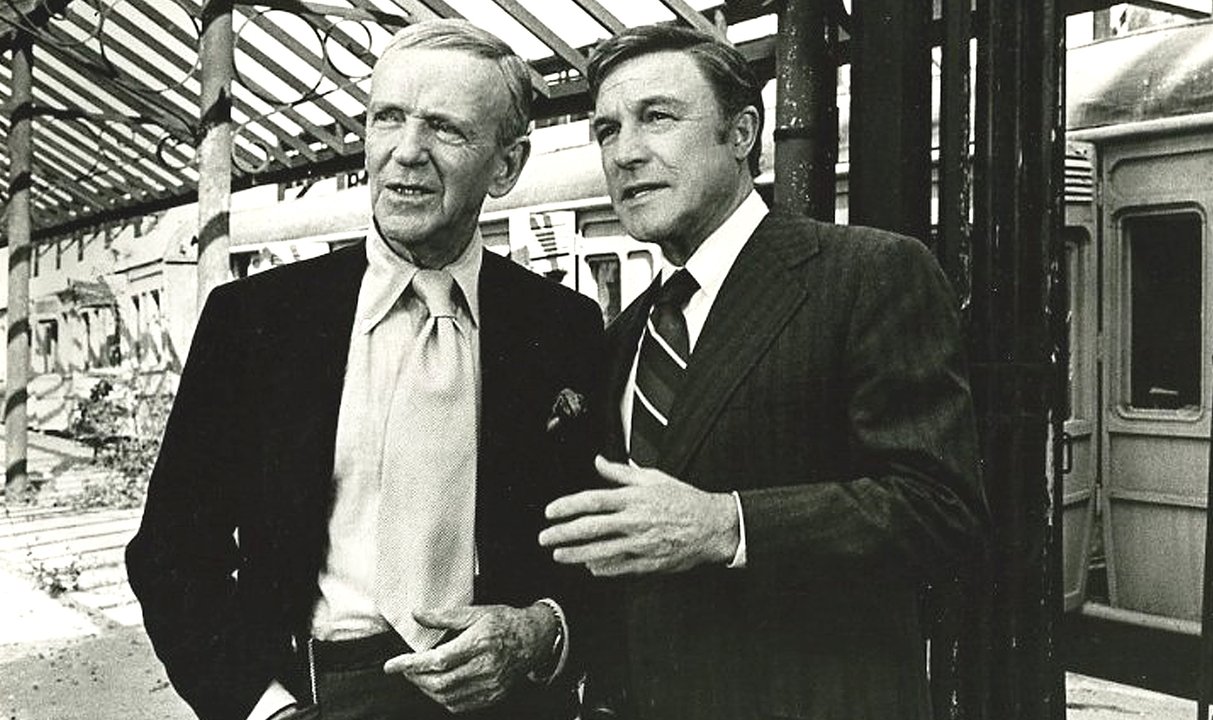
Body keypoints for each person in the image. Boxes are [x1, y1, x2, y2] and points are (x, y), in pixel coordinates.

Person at [127, 19, 603, 720]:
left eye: (445, 128)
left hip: (508, 699)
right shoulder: (256, 321)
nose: (406, 152)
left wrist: (541, 631)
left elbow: (595, 547)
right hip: (320, 692)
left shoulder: (561, 327)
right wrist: (264, 708)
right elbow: (170, 553)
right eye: (388, 118)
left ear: (506, 167)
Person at [539, 24, 988, 720]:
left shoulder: (867, 274)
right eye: (607, 129)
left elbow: (942, 512)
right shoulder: (626, 336)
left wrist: (729, 524)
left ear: (743, 133)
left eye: (657, 117)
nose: (625, 152)